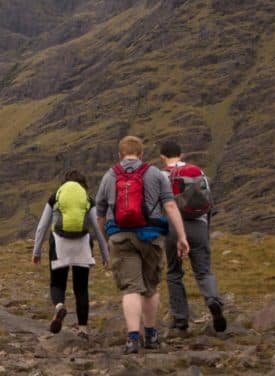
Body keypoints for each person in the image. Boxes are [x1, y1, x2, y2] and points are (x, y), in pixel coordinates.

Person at [95, 135, 190, 354]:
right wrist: (182, 236)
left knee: (131, 288)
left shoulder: (110, 175)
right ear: (141, 154)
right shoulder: (156, 174)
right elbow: (170, 206)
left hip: (120, 237)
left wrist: (102, 243)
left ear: (120, 155)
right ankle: (151, 334)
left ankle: (132, 338)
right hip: (151, 237)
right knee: (150, 288)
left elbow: (100, 214)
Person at [32, 170, 110, 336]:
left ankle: (59, 306)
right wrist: (105, 255)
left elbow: (42, 227)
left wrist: (36, 251)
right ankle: (83, 329)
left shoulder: (56, 197)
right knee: (81, 288)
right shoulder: (87, 199)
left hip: (59, 244)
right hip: (82, 245)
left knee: (57, 283)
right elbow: (98, 229)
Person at [160, 141, 227, 334]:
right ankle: (213, 299)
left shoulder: (161, 175)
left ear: (163, 157)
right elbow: (209, 201)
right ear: (181, 154)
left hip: (172, 227)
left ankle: (180, 320)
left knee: (174, 273)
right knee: (204, 271)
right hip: (198, 224)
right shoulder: (198, 172)